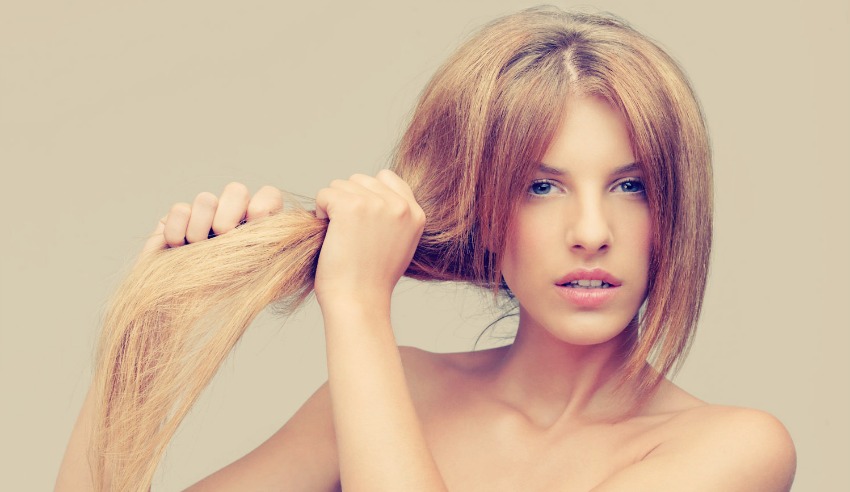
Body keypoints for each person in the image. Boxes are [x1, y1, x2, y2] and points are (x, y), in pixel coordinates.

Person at [56, 6, 796, 491]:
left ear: (674, 212)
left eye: (631, 186)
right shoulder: (400, 390)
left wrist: (357, 304)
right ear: (483, 207)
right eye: (541, 186)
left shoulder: (734, 451)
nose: (592, 230)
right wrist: (145, 331)